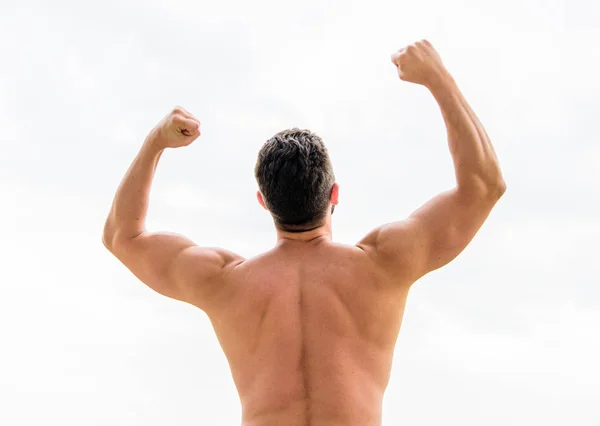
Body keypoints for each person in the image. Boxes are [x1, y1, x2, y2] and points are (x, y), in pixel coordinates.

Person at [102, 40, 506, 426]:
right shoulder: (386, 263)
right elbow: (483, 186)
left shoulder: (222, 281)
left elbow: (124, 236)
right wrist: (438, 79)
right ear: (334, 194)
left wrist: (156, 142)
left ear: (263, 201)